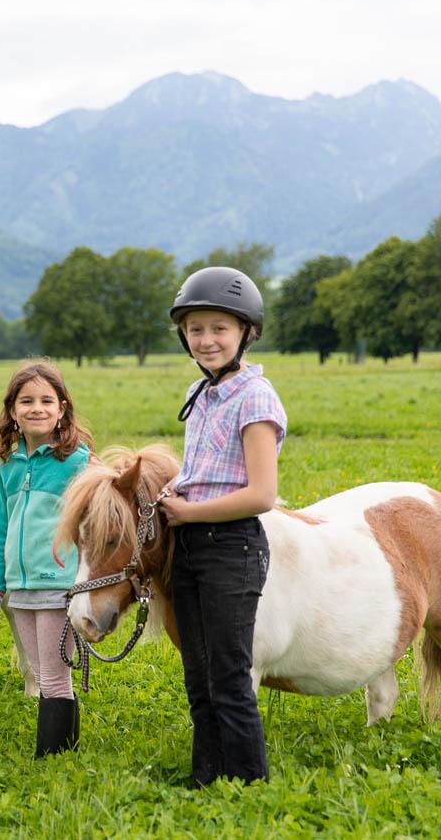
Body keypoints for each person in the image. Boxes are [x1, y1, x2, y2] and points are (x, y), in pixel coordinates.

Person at [158, 266, 286, 786]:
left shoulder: (255, 398)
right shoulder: (201, 393)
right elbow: (206, 475)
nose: (206, 340)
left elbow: (261, 494)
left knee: (230, 676)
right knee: (198, 675)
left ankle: (248, 783)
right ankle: (205, 777)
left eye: (219, 328)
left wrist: (188, 512)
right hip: (190, 547)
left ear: (245, 333)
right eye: (195, 329)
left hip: (231, 546)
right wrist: (177, 493)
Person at [0, 361, 92, 757]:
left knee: (54, 676)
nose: (37, 408)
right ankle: (65, 750)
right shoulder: (8, 466)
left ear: (62, 408)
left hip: (60, 586)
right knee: (45, 673)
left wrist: (83, 584)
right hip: (20, 587)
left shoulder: (77, 462)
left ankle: (53, 757)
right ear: (12, 411)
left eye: (47, 400)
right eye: (26, 401)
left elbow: (95, 526)